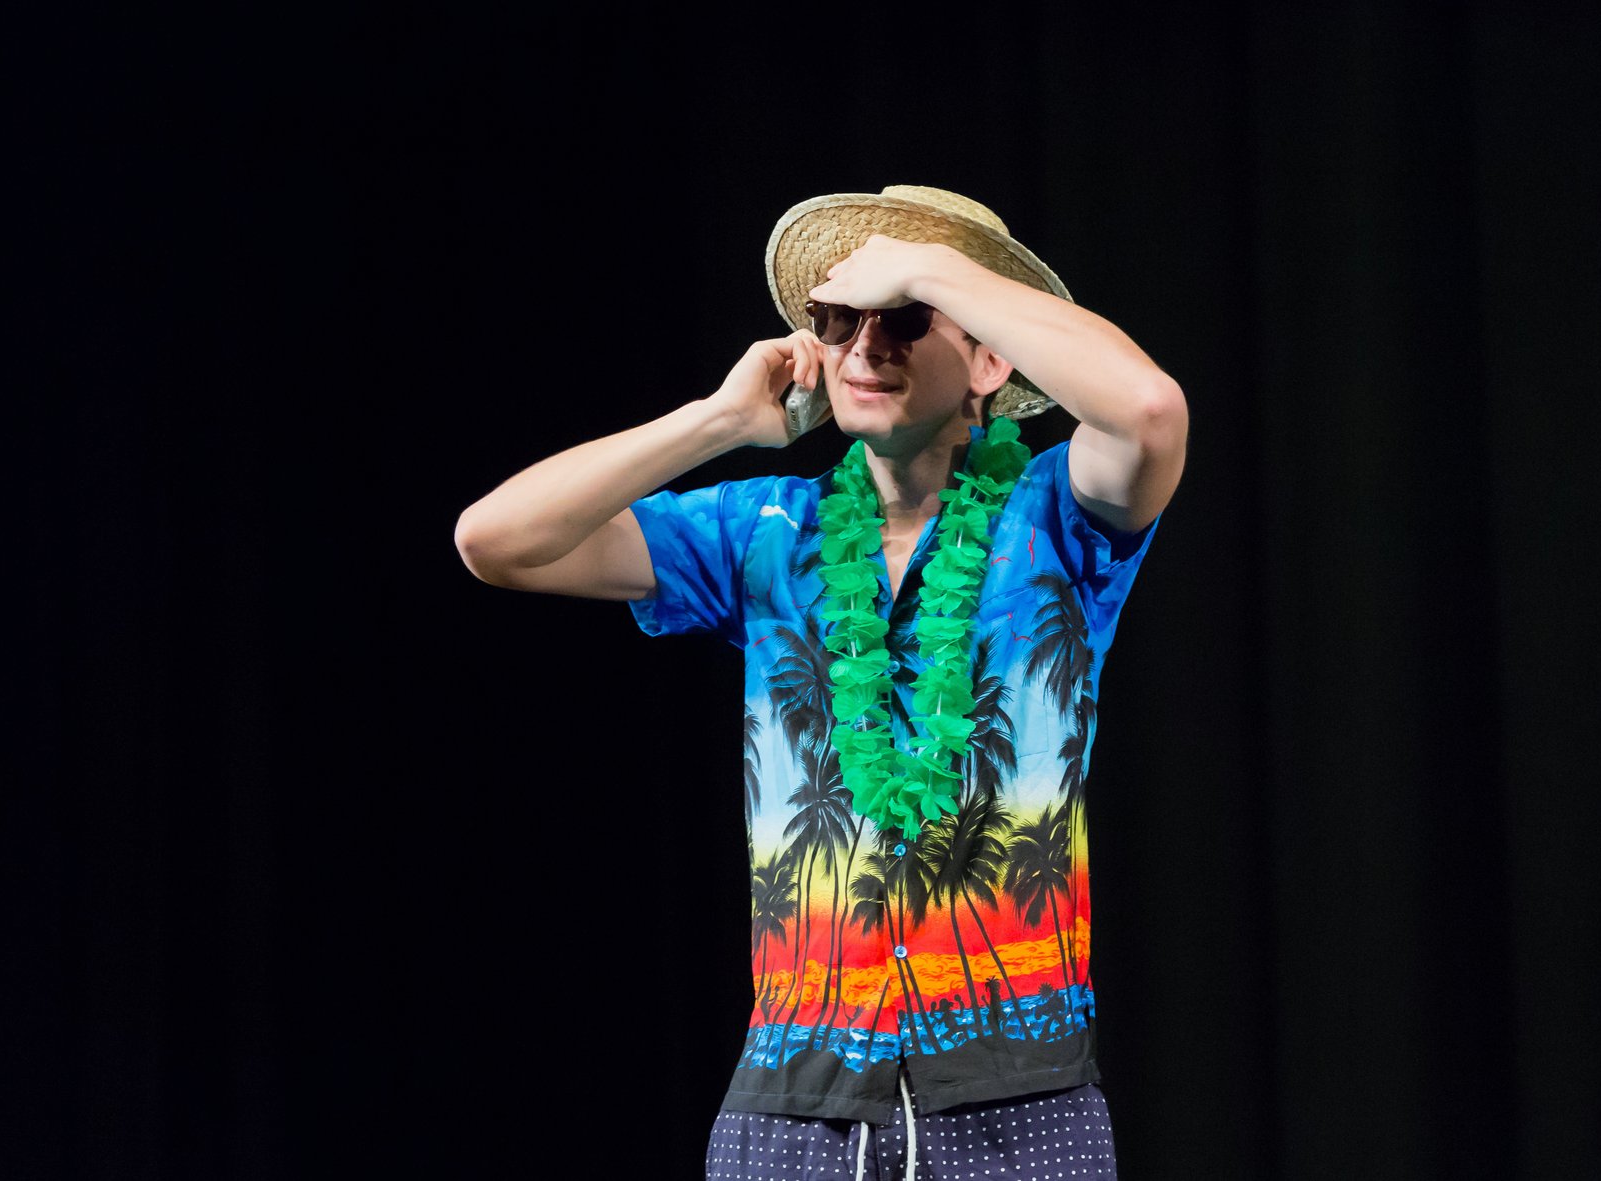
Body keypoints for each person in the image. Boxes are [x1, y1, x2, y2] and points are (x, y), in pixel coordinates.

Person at [456, 185, 1187, 1179]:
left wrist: (928, 264)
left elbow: (1149, 408)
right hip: (793, 1105)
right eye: (840, 321)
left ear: (987, 358)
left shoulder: (1056, 514)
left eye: (905, 320)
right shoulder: (764, 530)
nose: (863, 348)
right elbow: (496, 540)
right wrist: (717, 420)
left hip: (1020, 1107)